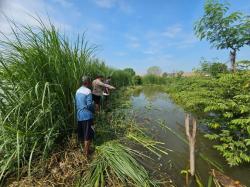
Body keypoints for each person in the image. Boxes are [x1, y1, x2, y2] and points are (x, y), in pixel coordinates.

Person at [75, 76, 94, 157]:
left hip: (79, 115)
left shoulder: (77, 91)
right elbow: (89, 105)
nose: (90, 83)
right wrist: (93, 108)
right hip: (87, 115)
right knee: (88, 135)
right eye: (89, 82)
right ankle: (86, 153)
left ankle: (84, 149)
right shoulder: (88, 91)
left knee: (83, 134)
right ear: (87, 82)